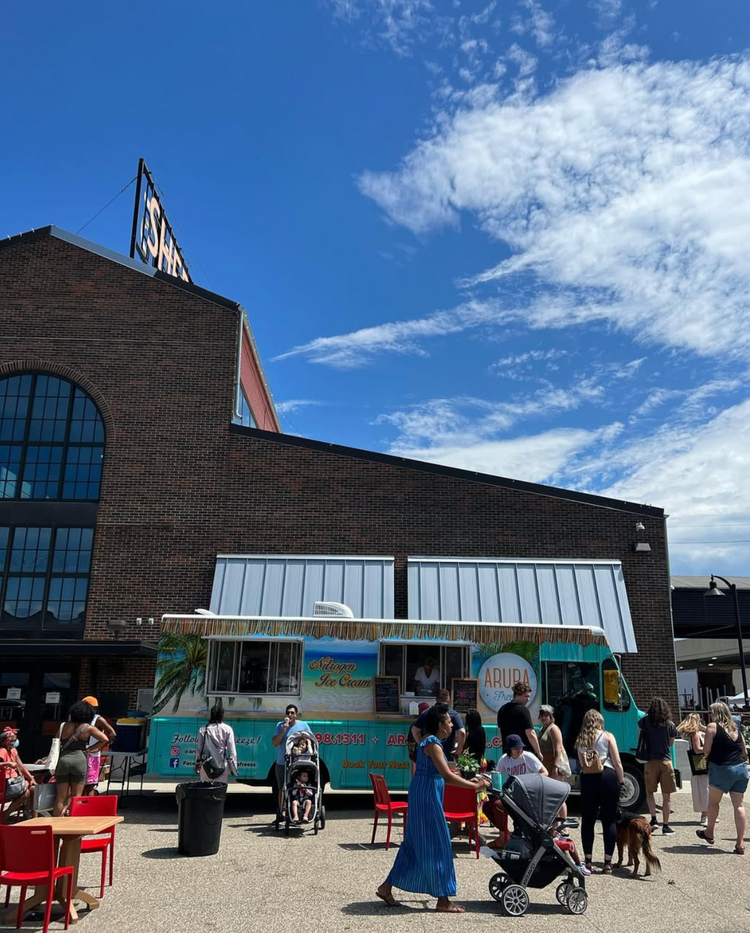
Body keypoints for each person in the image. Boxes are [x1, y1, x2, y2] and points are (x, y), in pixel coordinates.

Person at [376, 705, 490, 913]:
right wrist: (475, 786)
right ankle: (443, 900)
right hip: (427, 795)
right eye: (448, 721)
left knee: (414, 842)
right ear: (440, 725)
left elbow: (443, 771)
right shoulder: (433, 743)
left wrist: (467, 778)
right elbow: (446, 776)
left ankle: (386, 887)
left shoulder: (429, 742)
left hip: (423, 792)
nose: (451, 725)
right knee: (439, 843)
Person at [575, 709, 624, 874]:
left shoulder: (581, 740)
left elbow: (583, 765)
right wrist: (621, 781)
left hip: (589, 779)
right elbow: (617, 762)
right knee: (609, 820)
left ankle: (588, 860)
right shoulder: (608, 736)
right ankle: (607, 862)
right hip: (608, 776)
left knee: (588, 820)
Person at [696, 701, 748, 854]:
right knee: (739, 805)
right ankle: (740, 843)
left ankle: (709, 832)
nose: (709, 715)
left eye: (711, 712)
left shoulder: (712, 727)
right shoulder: (735, 727)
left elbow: (706, 750)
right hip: (740, 769)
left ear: (716, 713)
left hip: (721, 769)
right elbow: (743, 750)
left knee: (713, 803)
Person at [53, 701, 109, 817]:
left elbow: (56, 742)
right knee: (77, 796)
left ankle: (56, 824)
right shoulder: (88, 728)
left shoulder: (63, 725)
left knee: (60, 797)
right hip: (79, 758)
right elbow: (105, 739)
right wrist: (91, 749)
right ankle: (74, 823)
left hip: (63, 758)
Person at [639, 697, 677, 835]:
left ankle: (654, 819)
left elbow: (640, 737)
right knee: (666, 796)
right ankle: (666, 825)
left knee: (650, 792)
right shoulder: (670, 724)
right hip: (666, 761)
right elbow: (671, 743)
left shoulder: (645, 722)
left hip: (650, 760)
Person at [272, 704, 311, 813]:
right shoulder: (280, 725)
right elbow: (275, 743)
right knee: (282, 788)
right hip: (282, 762)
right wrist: (283, 730)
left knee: (295, 786)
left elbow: (310, 741)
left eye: (292, 713)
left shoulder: (303, 725)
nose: (290, 715)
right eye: (288, 712)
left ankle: (296, 810)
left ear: (296, 715)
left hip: (298, 762)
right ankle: (282, 811)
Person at [410, 691, 466, 762]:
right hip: (446, 753)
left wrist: (422, 745)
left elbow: (414, 730)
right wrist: (458, 751)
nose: (451, 724)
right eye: (449, 722)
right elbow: (462, 732)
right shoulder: (453, 714)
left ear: (436, 699)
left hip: (428, 754)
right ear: (448, 699)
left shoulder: (426, 712)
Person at [676, 712, 708, 826]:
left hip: (700, 765)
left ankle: (707, 814)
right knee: (704, 789)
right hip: (700, 764)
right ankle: (705, 815)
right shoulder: (695, 734)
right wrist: (708, 748)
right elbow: (697, 749)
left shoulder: (697, 733)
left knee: (704, 788)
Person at [80, 696, 116, 796]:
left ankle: (89, 808)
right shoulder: (81, 718)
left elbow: (112, 733)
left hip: (92, 755)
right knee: (80, 783)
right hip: (80, 753)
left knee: (90, 785)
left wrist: (98, 747)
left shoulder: (97, 719)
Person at [538, 705, 568, 823]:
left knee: (558, 796)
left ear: (551, 716)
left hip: (554, 765)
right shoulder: (542, 729)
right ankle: (554, 824)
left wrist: (555, 766)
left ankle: (563, 824)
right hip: (545, 765)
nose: (544, 717)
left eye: (546, 715)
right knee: (549, 796)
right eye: (542, 714)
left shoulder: (554, 729)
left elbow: (559, 748)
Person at [0, 728, 36, 824]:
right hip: (5, 784)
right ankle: (5, 815)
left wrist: (31, 778)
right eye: (11, 740)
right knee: (29, 790)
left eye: (15, 740)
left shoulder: (13, 750)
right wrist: (7, 763)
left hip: (14, 782)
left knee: (32, 789)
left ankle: (33, 818)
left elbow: (21, 766)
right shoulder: (2, 751)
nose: (14, 742)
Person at [497, 681, 541, 757]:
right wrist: (538, 752)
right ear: (517, 695)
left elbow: (501, 732)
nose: (528, 699)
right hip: (524, 753)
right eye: (526, 696)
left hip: (508, 753)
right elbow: (531, 734)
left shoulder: (502, 710)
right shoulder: (523, 710)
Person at [196, 705, 238, 783]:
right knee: (219, 792)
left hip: (206, 766)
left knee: (205, 791)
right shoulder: (227, 729)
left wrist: (197, 764)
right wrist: (233, 768)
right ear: (222, 715)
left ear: (211, 715)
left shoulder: (203, 729)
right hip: (221, 766)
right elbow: (232, 752)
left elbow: (199, 750)